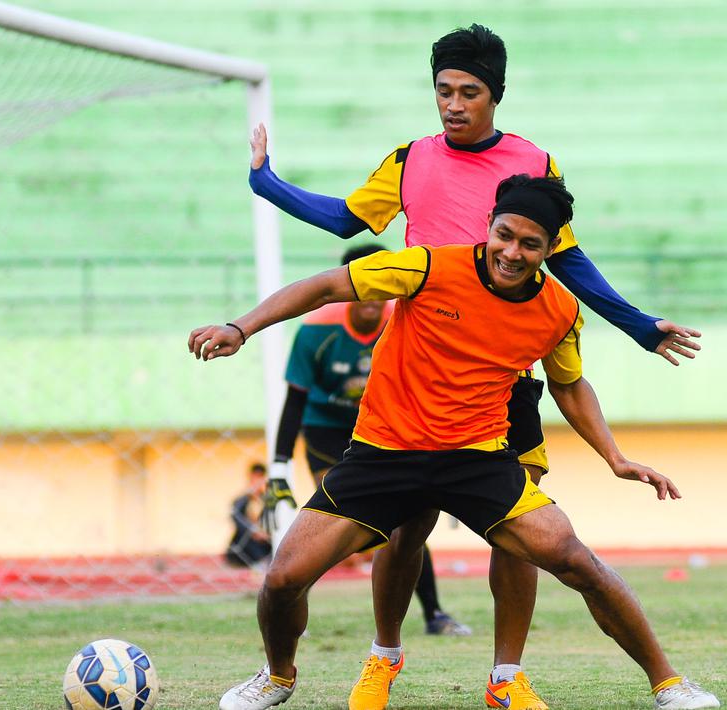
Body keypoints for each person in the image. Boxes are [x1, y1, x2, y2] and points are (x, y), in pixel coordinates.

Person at [248, 24, 703, 709]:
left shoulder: (535, 165)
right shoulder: (410, 160)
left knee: (522, 537)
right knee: (404, 526)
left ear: (496, 95)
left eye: (469, 92)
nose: (453, 105)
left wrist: (638, 325)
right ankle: (383, 656)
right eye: (444, 91)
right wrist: (267, 183)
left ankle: (505, 675)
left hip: (505, 372)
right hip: (423, 362)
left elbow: (567, 257)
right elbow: (345, 221)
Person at [192, 175, 720, 710]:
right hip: (384, 454)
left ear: (551, 248)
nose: (511, 252)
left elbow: (568, 384)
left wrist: (615, 457)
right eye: (504, 234)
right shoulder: (427, 266)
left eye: (530, 243)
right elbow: (326, 287)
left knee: (574, 559)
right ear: (489, 226)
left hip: (476, 459)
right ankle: (279, 676)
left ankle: (669, 684)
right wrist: (242, 327)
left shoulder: (560, 310)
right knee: (284, 578)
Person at [271, 243, 471, 636]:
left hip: (388, 428)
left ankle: (434, 614)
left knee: (407, 521)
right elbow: (295, 399)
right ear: (346, 284)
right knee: (335, 521)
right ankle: (292, 606)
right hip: (329, 430)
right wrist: (279, 466)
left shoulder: (411, 319)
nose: (372, 296)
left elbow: (435, 387)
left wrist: (451, 455)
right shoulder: (315, 330)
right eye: (363, 283)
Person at [225, 463, 273, 568]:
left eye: (259, 479)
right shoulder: (241, 500)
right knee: (243, 537)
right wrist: (253, 530)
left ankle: (265, 561)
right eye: (253, 479)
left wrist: (266, 533)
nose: (256, 483)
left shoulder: (268, 501)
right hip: (246, 541)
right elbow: (236, 518)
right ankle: (260, 562)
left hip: (264, 541)